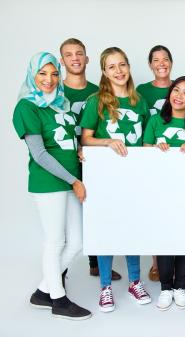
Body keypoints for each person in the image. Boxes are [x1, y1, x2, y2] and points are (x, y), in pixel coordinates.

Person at [12, 52, 92, 320]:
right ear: (32, 76)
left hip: (71, 180)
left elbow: (68, 141)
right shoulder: (26, 106)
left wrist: (80, 151)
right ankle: (58, 300)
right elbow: (40, 154)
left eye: (54, 73)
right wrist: (74, 181)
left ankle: (43, 290)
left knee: (78, 240)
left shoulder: (61, 103)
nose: (49, 79)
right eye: (43, 74)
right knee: (55, 242)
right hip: (49, 183)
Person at [80, 47, 151, 312]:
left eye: (122, 65)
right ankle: (106, 287)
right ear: (104, 72)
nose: (118, 71)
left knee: (132, 228)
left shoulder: (139, 101)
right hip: (105, 177)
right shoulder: (95, 100)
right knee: (107, 229)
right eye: (112, 67)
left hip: (133, 176)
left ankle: (135, 281)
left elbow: (145, 141)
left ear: (129, 67)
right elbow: (85, 138)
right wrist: (108, 141)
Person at [59, 37, 121, 282]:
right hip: (65, 160)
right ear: (62, 60)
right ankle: (59, 275)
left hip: (93, 161)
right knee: (66, 221)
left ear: (87, 59)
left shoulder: (98, 93)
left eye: (79, 53)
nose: (75, 58)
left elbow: (100, 131)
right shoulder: (55, 91)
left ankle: (96, 264)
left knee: (97, 209)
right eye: (69, 54)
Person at [143, 76, 185, 310]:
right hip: (160, 192)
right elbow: (145, 156)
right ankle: (165, 288)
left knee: (183, 239)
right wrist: (159, 152)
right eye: (176, 90)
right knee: (164, 240)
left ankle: (180, 286)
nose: (179, 95)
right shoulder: (155, 121)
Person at [136, 44, 174, 282]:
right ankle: (155, 263)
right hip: (151, 154)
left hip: (174, 154)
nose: (161, 63)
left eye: (165, 59)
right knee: (153, 207)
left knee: (173, 207)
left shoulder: (180, 87)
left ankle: (175, 258)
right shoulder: (140, 90)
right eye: (156, 60)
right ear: (150, 64)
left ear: (171, 62)